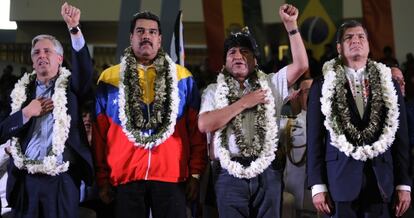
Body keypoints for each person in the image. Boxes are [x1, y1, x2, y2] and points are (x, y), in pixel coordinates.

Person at [93, 11, 207, 218]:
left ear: (160, 39)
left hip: (172, 177)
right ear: (131, 37)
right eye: (140, 31)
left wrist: (196, 173)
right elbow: (99, 136)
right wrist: (102, 178)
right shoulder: (109, 79)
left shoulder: (182, 77)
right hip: (124, 177)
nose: (146, 36)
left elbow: (195, 132)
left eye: (152, 32)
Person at [198, 4, 308, 218]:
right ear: (225, 61)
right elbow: (204, 124)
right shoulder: (213, 91)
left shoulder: (271, 84)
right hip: (228, 173)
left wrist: (291, 26)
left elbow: (301, 65)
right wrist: (244, 103)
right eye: (232, 52)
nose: (238, 55)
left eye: (245, 51)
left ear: (255, 61)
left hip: (267, 172)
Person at [307, 20, 411, 218]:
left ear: (369, 45)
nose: (356, 40)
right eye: (349, 37)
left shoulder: (389, 83)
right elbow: (314, 140)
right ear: (339, 47)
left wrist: (403, 183)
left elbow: (401, 138)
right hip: (339, 180)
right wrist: (317, 185)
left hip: (381, 179)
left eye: (361, 37)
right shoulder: (322, 85)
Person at [0, 2, 94, 218]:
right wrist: (26, 113)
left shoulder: (71, 87)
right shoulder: (20, 92)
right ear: (32, 61)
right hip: (26, 179)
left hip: (61, 178)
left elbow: (85, 73)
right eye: (36, 53)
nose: (41, 55)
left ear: (60, 59)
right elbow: (3, 130)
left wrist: (74, 29)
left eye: (47, 51)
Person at [280, 78, 314, 216]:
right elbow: (267, 122)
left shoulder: (331, 125)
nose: (313, 95)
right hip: (294, 194)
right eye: (307, 91)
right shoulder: (289, 123)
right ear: (299, 96)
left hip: (321, 197)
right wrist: (284, 99)